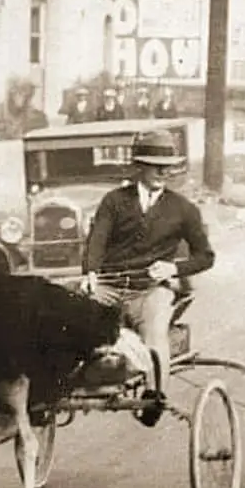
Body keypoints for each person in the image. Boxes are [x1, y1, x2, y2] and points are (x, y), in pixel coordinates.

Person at [81, 129, 215, 426]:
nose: (163, 172)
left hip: (151, 289)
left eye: (168, 166)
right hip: (110, 287)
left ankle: (154, 396)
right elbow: (97, 240)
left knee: (155, 330)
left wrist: (173, 269)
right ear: (139, 166)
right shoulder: (114, 202)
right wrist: (91, 276)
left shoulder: (183, 209)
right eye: (156, 165)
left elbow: (206, 256)